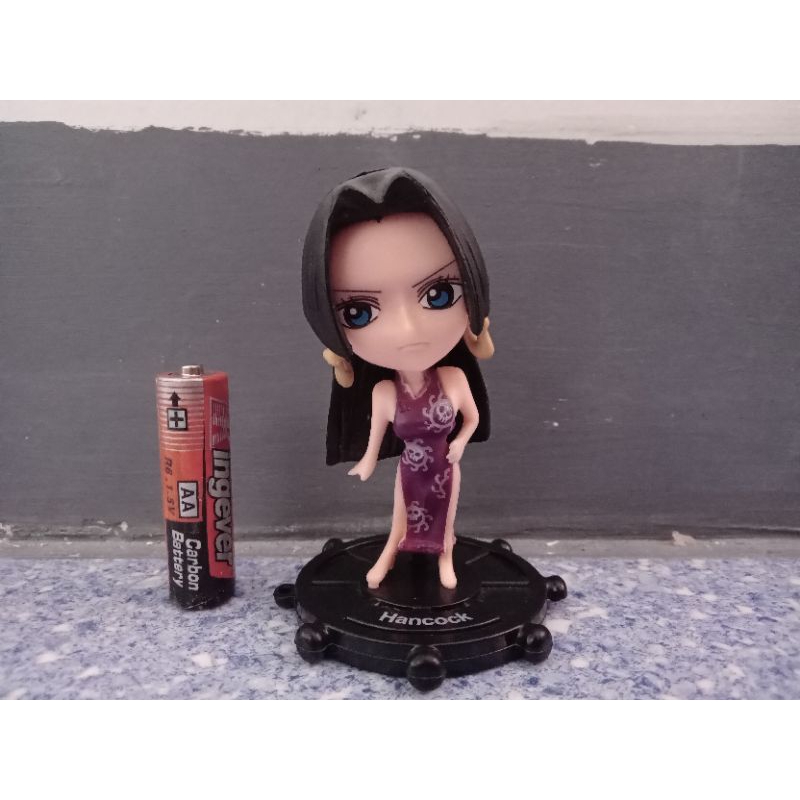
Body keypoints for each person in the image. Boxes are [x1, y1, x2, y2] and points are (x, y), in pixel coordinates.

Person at [302, 167, 494, 589]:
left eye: (439, 294)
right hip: (409, 467)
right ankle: (389, 555)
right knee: (401, 517)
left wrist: (460, 442)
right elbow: (375, 438)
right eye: (358, 312)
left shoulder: (454, 378)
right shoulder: (385, 392)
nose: (407, 331)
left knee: (444, 515)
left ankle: (445, 557)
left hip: (446, 466)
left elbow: (472, 419)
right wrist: (368, 462)